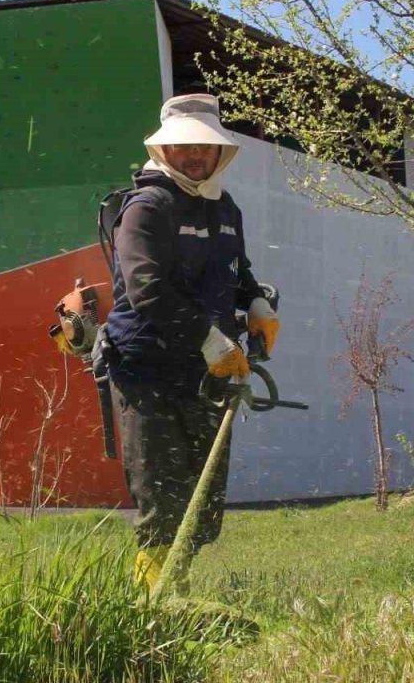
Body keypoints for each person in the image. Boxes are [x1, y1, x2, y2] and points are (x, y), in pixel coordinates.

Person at [102, 93, 279, 590]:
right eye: (184, 145)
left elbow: (236, 270)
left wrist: (258, 302)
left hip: (207, 374)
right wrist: (209, 338)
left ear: (219, 152)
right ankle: (150, 608)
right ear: (164, 150)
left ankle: (177, 589)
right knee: (161, 497)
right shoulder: (146, 207)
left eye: (204, 146)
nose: (195, 154)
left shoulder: (227, 209)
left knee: (203, 503)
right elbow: (145, 290)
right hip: (146, 371)